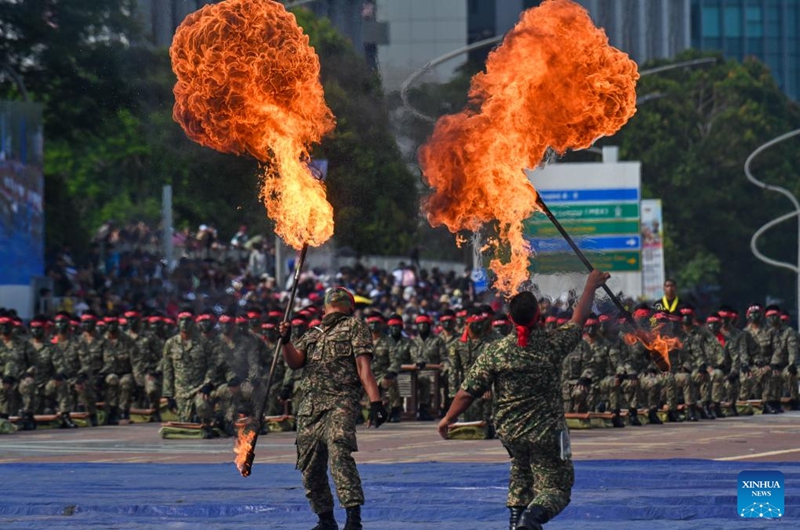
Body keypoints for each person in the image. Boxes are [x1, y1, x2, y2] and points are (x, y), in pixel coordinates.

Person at [439, 269, 610, 530]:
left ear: (509, 318)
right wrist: (590, 286)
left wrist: (448, 419)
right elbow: (579, 319)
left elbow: (467, 392)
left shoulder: (495, 352)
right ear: (538, 316)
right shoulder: (553, 343)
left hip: (510, 432)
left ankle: (515, 524)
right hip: (546, 432)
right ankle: (530, 521)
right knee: (556, 487)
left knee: (520, 471)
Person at [279, 287, 387, 530]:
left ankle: (353, 519)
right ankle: (325, 519)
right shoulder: (311, 334)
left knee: (339, 454)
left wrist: (376, 402)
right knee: (309, 464)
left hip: (340, 402)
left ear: (351, 307)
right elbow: (295, 362)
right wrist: (286, 341)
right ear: (323, 309)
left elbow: (364, 368)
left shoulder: (355, 326)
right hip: (310, 407)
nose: (336, 298)